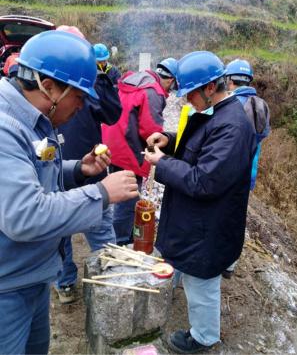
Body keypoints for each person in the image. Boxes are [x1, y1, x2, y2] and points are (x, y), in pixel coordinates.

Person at [0, 30, 139, 355]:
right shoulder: (5, 129)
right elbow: (24, 214)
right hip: (6, 289)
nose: (82, 106)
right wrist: (102, 193)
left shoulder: (32, 120)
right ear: (49, 88)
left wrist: (78, 170)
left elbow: (35, 169)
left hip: (30, 278)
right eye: (79, 96)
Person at [144, 51, 256, 353]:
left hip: (208, 224)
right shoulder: (215, 113)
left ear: (210, 88)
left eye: (189, 93)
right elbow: (196, 144)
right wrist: (169, 138)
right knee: (189, 272)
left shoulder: (231, 126)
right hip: (197, 219)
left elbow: (203, 180)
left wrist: (162, 163)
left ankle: (204, 337)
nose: (186, 99)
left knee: (201, 282)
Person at [54, 32, 122, 304]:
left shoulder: (89, 87)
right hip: (58, 177)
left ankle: (111, 279)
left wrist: (103, 78)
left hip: (91, 172)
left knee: (102, 232)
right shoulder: (39, 94)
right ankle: (65, 281)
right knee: (60, 237)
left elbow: (112, 113)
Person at [102, 57, 177, 245]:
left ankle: (123, 232)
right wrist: (163, 148)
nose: (170, 91)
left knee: (120, 189)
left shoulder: (136, 79)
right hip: (128, 148)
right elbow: (150, 129)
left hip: (112, 140)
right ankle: (119, 241)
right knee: (128, 194)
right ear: (170, 80)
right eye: (173, 87)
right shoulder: (154, 92)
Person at [221, 58, 270, 279]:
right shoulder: (261, 105)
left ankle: (217, 258)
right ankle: (230, 265)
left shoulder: (229, 104)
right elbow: (261, 137)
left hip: (227, 172)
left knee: (218, 215)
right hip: (248, 173)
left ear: (229, 79)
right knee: (236, 217)